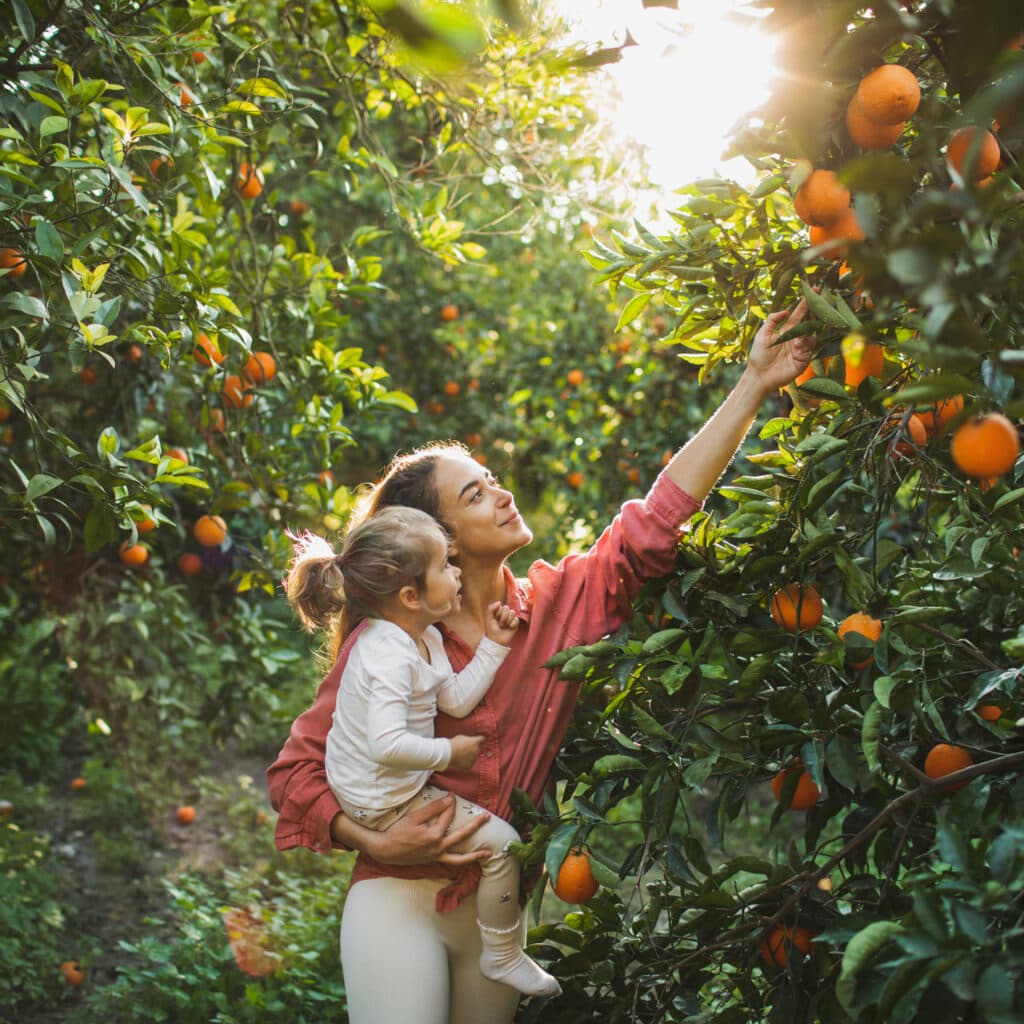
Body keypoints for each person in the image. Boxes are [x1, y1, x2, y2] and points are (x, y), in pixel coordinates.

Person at [267, 300, 815, 1024]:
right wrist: (368, 835)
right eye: (476, 492)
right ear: (445, 543)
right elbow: (293, 773)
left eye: (492, 476)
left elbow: (652, 522)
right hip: (396, 899)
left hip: (500, 911)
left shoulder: (561, 605)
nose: (502, 492)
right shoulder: (391, 644)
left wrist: (751, 384)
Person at [283, 505, 561, 998]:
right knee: (501, 845)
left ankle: (498, 953)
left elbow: (453, 697)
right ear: (411, 595)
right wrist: (447, 753)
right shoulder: (386, 655)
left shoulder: (421, 635)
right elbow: (385, 744)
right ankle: (501, 955)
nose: (457, 572)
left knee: (494, 842)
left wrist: (494, 646)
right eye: (445, 566)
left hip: (387, 784)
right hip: (378, 800)